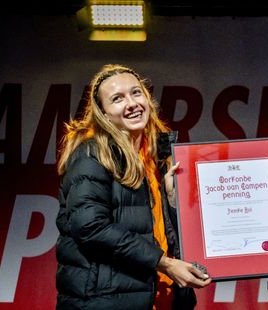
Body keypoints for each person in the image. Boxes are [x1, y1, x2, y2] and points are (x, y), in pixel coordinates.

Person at [55, 64, 211, 309]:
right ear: (103, 114)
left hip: (163, 297)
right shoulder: (92, 154)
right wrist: (165, 263)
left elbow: (165, 233)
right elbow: (90, 227)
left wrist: (171, 201)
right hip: (106, 300)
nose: (131, 103)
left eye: (136, 93)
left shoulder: (159, 158)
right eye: (117, 99)